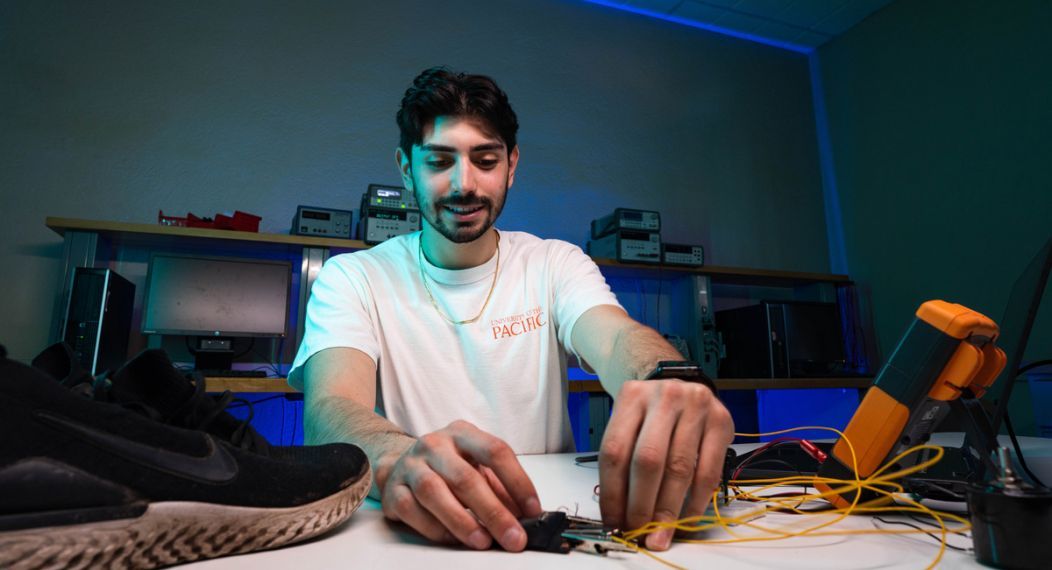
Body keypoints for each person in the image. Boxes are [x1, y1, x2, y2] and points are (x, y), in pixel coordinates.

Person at [288, 66, 734, 553]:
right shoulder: (353, 277)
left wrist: (667, 378)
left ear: (511, 164)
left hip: (549, 527)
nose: (465, 185)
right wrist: (400, 460)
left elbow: (616, 337)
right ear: (404, 166)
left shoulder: (554, 263)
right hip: (414, 538)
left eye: (485, 159)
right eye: (439, 161)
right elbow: (331, 410)